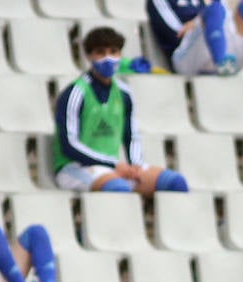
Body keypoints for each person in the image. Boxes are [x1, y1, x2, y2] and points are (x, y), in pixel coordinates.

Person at [53, 27, 190, 196]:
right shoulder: (75, 93)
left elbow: (131, 135)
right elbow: (69, 145)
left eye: (113, 52)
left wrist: (136, 166)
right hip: (76, 167)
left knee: (175, 183)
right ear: (89, 56)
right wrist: (114, 164)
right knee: (118, 188)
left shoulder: (124, 93)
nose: (108, 58)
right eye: (100, 53)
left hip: (113, 167)